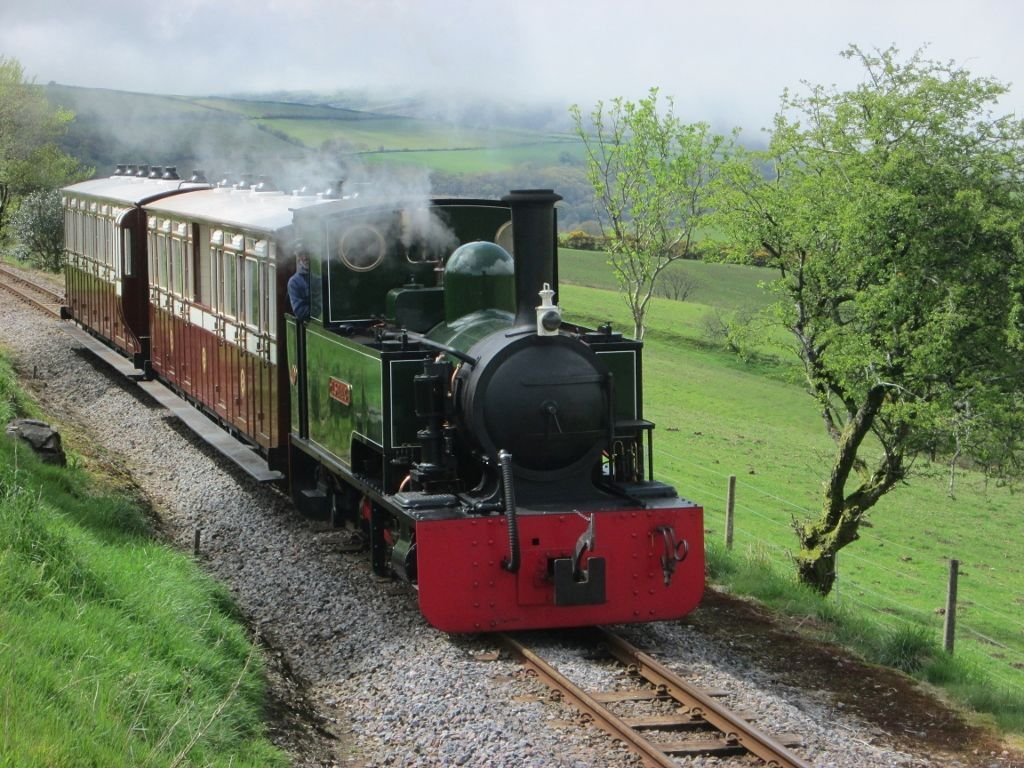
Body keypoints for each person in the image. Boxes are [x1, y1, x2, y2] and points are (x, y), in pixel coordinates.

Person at [288, 247, 311, 321]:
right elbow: (300, 312)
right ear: (298, 259)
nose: (305, 258)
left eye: (307, 254)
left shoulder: (319, 279)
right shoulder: (294, 282)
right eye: (301, 255)